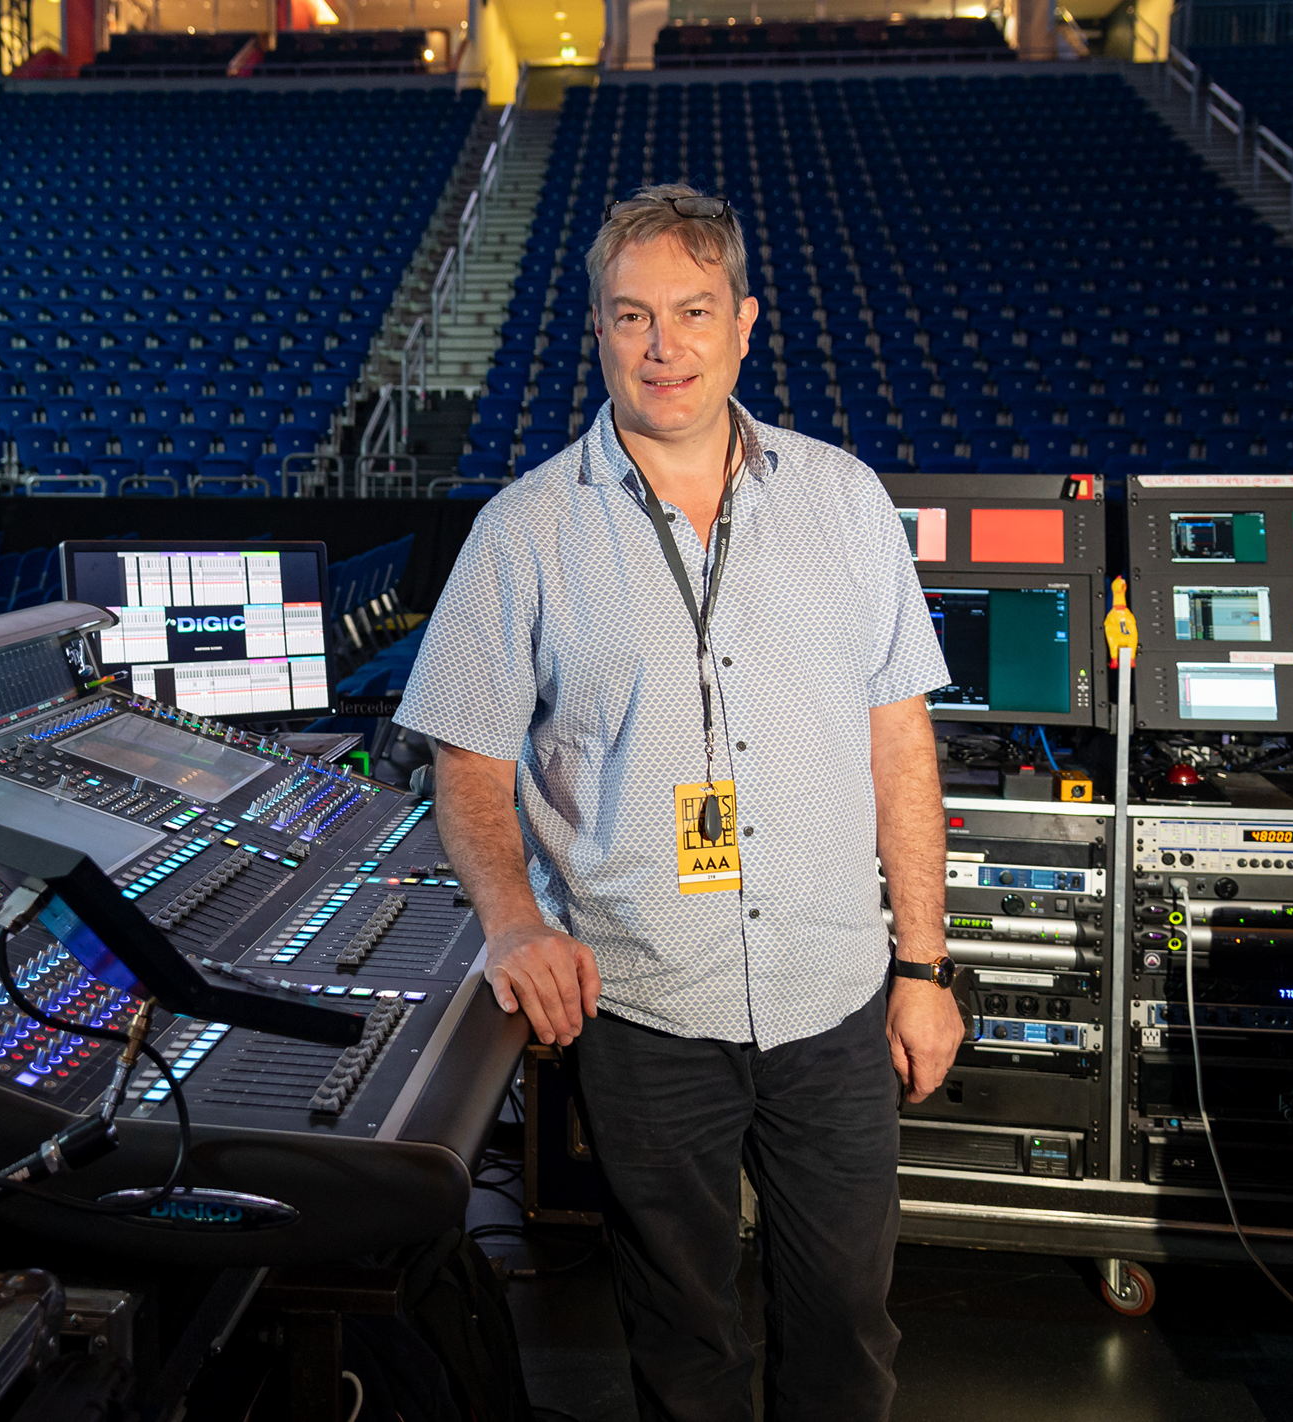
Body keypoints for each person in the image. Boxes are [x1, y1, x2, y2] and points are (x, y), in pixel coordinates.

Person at [393, 184, 965, 1422]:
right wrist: (509, 922)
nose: (664, 348)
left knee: (847, 1335)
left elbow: (898, 742)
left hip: (832, 998)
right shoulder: (523, 530)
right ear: (595, 330)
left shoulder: (843, 499)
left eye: (692, 313)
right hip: (646, 1006)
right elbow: (468, 763)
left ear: (743, 323)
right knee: (683, 1341)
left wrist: (923, 962)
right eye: (632, 316)